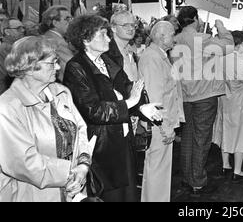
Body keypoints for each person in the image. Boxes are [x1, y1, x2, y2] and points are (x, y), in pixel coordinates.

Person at [63, 14, 161, 202]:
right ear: (86, 39)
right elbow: (93, 110)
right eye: (102, 35)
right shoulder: (76, 67)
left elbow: (127, 88)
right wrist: (131, 103)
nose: (108, 39)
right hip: (101, 147)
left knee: (129, 194)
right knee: (111, 196)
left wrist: (142, 108)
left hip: (122, 139)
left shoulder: (108, 60)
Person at [0, 36, 91, 202]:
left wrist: (83, 166)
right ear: (29, 68)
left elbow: (81, 129)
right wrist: (70, 173)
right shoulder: (7, 107)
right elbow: (24, 163)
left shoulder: (61, 92)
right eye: (52, 62)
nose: (58, 66)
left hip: (72, 189)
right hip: (31, 194)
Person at [172, 5, 234, 195]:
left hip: (185, 96)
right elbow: (228, 45)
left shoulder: (175, 39)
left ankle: (187, 177)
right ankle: (198, 181)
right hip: (204, 96)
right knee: (201, 139)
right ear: (196, 18)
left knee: (188, 138)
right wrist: (221, 27)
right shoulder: (201, 39)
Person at [138, 21, 185, 202]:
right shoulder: (152, 58)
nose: (175, 38)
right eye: (173, 34)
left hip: (164, 122)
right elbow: (154, 98)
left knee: (161, 170)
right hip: (159, 125)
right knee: (157, 170)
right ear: (161, 36)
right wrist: (165, 127)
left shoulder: (160, 56)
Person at [212, 31, 243, 182]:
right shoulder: (241, 63)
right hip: (240, 102)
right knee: (241, 135)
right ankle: (237, 171)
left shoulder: (219, 60)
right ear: (240, 45)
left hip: (224, 100)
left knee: (226, 131)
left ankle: (225, 165)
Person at [40, 5, 74, 82]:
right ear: (55, 23)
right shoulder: (56, 41)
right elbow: (73, 67)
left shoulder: (48, 37)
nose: (71, 22)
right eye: (67, 19)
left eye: (71, 18)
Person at [0, 19, 25, 94]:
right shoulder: (7, 49)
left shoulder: (15, 47)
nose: (23, 30)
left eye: (23, 28)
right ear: (7, 32)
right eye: (18, 28)